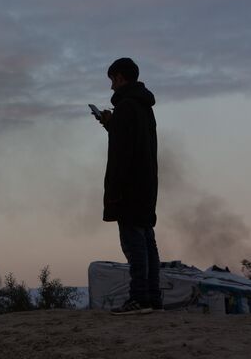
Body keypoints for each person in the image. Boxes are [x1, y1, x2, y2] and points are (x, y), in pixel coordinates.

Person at [93, 58, 160, 315]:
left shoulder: (126, 107)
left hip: (129, 186)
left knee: (134, 244)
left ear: (120, 78)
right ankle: (152, 298)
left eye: (112, 80)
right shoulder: (144, 107)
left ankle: (139, 298)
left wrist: (114, 192)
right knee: (147, 240)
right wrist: (111, 124)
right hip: (147, 184)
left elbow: (121, 152)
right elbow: (134, 141)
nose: (111, 87)